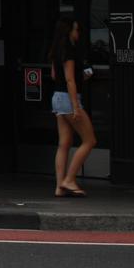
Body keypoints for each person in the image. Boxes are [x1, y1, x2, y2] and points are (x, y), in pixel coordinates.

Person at [48, 15, 96, 197]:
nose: (78, 33)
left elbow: (55, 75)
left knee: (64, 143)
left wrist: (78, 77)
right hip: (69, 99)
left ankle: (59, 186)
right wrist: (76, 106)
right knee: (90, 140)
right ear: (69, 31)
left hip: (57, 98)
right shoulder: (69, 50)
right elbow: (69, 80)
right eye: (76, 29)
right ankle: (70, 179)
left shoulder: (56, 50)